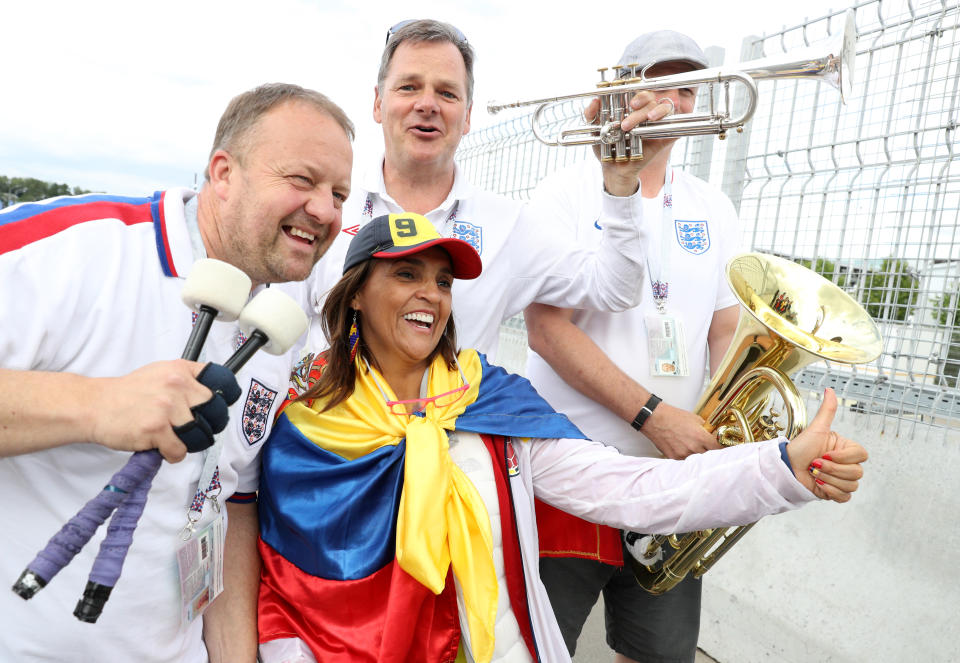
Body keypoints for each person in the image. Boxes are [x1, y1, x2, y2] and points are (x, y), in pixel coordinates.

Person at [254, 212, 867, 663]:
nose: (430, 294)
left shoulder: (491, 401)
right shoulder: (306, 422)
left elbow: (634, 490)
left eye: (443, 282)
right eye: (406, 273)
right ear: (357, 291)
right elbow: (284, 589)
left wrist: (782, 465)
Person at [0, 83, 353, 663]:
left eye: (338, 193)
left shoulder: (280, 333)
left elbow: (230, 503)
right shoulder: (78, 249)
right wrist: (95, 406)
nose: (325, 210)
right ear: (223, 173)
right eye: (302, 180)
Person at [523, 31, 747, 662]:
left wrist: (723, 425)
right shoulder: (564, 193)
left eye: (686, 87)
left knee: (660, 654)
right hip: (571, 472)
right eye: (660, 82)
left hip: (671, 478)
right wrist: (654, 416)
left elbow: (726, 328)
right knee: (542, 647)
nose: (675, 100)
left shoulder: (715, 206)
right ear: (622, 91)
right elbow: (547, 328)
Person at [305, 19, 677, 361]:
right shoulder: (323, 208)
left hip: (454, 432)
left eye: (448, 94)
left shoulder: (508, 223)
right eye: (408, 87)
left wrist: (621, 181)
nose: (427, 104)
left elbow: (615, 289)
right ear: (378, 103)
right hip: (330, 431)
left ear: (467, 117)